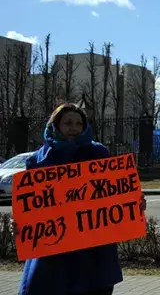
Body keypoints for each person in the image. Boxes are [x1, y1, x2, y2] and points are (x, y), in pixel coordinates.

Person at [17, 102, 147, 295]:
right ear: (56, 125)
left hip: (92, 253)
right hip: (52, 254)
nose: (74, 128)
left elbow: (111, 195)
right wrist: (20, 221)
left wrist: (132, 203)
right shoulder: (37, 160)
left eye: (79, 123)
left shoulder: (98, 154)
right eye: (68, 123)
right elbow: (31, 204)